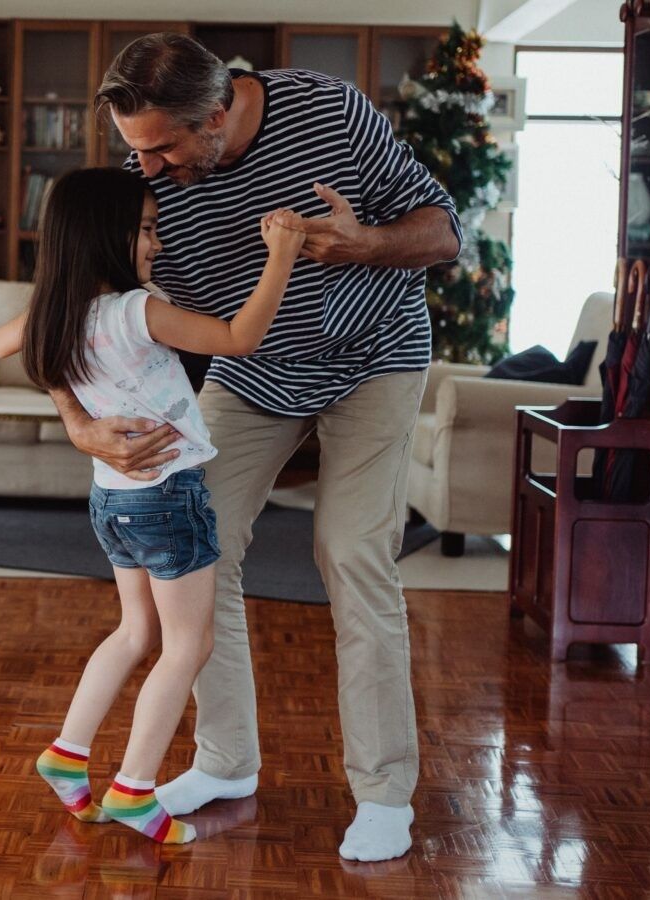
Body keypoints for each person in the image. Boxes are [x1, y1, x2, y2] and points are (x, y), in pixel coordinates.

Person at [45, 34, 465, 862]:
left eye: (164, 148)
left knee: (350, 552)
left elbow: (446, 232)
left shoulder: (331, 114)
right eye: (137, 152)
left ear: (219, 113)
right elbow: (66, 306)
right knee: (197, 554)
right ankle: (227, 762)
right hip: (252, 371)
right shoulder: (144, 168)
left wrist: (366, 246)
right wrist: (78, 423)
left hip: (372, 356)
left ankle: (384, 792)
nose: (150, 171)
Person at [0, 166, 305, 844]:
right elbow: (239, 338)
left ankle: (68, 754)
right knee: (189, 643)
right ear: (106, 236)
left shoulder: (58, 309)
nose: (156, 244)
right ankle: (135, 787)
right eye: (147, 230)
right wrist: (280, 256)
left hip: (113, 500)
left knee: (136, 634)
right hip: (168, 497)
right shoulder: (138, 311)